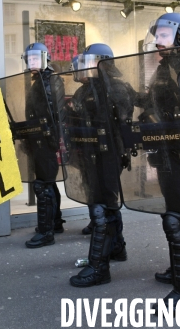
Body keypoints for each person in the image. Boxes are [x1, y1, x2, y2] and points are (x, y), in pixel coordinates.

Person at [140, 13, 180, 313]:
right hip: (167, 152)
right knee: (176, 217)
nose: (158, 40)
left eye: (164, 34)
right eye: (158, 35)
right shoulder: (167, 67)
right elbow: (158, 106)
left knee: (179, 221)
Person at [63, 43, 129, 287]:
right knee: (104, 203)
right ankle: (116, 248)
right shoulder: (85, 90)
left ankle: (99, 267)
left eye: (91, 62)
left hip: (108, 154)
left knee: (102, 207)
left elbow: (120, 120)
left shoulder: (116, 88)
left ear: (103, 62)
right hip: (90, 153)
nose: (85, 67)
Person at [21, 43, 66, 248]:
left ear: (45, 58)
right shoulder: (40, 81)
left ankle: (47, 231)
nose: (32, 62)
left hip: (46, 139)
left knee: (44, 185)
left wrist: (56, 138)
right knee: (47, 181)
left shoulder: (49, 81)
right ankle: (54, 222)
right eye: (29, 59)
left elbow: (52, 112)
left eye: (35, 58)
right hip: (40, 138)